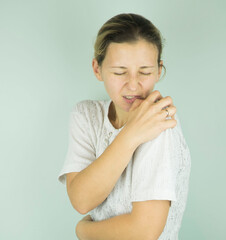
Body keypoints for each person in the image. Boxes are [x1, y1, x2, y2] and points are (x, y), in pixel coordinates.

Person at [58, 13, 191, 240]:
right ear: (97, 69)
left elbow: (144, 231)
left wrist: (83, 231)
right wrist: (130, 135)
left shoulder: (161, 126)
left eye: (145, 72)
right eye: (120, 72)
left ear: (159, 70)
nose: (133, 85)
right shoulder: (86, 115)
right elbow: (81, 200)